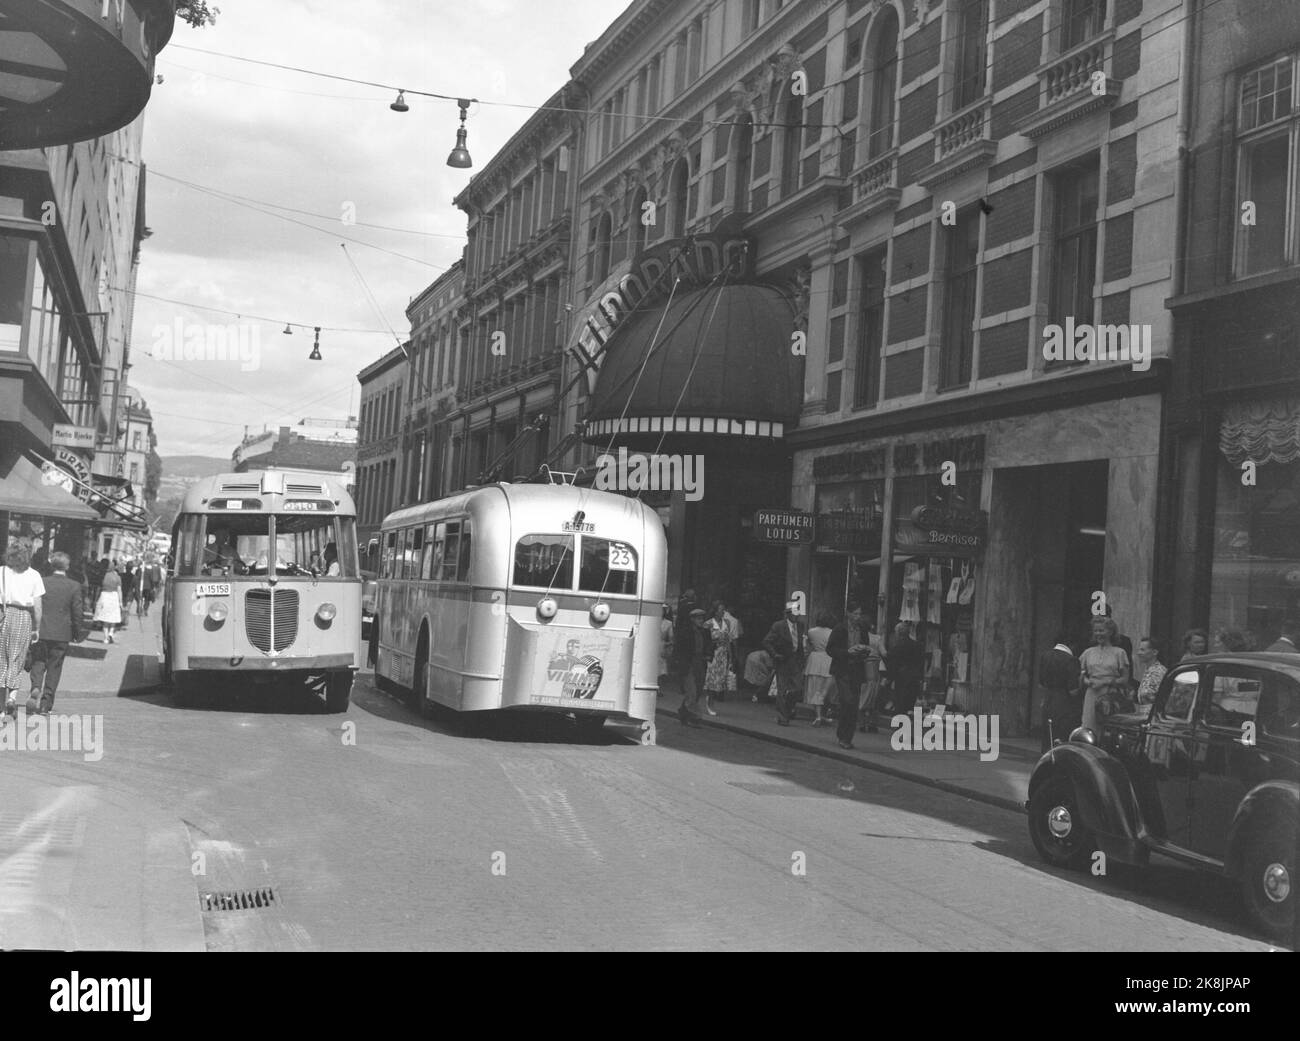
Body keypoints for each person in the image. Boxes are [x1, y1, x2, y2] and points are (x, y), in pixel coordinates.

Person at [27, 551, 86, 715]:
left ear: (52, 565)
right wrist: (76, 632)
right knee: (55, 668)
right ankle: (46, 704)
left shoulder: (42, 582)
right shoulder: (74, 586)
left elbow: (34, 606)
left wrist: (33, 628)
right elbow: (77, 611)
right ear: (67, 566)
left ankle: (36, 686)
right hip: (62, 633)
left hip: (42, 630)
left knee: (38, 662)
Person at [0, 542, 44, 720]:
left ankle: (1, 705)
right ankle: (11, 697)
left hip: (3, 615)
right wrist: (37, 628)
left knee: (2, 659)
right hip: (23, 617)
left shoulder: (2, 571)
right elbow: (38, 606)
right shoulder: (34, 575)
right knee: (17, 659)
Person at [828, 601, 870, 749]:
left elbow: (867, 646)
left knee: (854, 704)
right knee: (847, 701)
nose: (858, 616)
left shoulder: (862, 629)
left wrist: (864, 650)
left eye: (860, 614)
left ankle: (847, 737)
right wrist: (847, 652)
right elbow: (830, 649)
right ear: (849, 613)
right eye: (856, 613)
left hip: (856, 670)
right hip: (843, 669)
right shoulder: (840, 629)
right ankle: (842, 735)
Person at [1079, 616, 1130, 732]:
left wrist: (1105, 682)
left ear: (1110, 632)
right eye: (1096, 631)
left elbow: (1125, 679)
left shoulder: (1119, 653)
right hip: (1092, 694)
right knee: (1089, 728)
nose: (1098, 634)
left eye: (1101, 630)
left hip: (1110, 694)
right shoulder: (1088, 652)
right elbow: (1081, 674)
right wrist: (1088, 681)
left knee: (1108, 730)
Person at [763, 599, 806, 726]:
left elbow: (799, 644)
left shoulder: (800, 626)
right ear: (788, 613)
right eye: (793, 612)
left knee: (798, 689)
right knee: (781, 690)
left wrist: (802, 659)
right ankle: (782, 717)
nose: (796, 615)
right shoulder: (778, 626)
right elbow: (766, 641)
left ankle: (787, 709)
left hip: (795, 661)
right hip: (782, 660)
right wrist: (775, 654)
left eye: (797, 612)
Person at [1038, 632, 1081, 752]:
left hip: (1048, 699)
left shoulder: (1045, 656)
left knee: (1048, 735)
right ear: (1072, 645)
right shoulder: (1072, 660)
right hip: (1064, 702)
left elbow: (1041, 683)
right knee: (1061, 734)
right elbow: (1073, 691)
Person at [675, 608, 709, 725]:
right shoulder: (685, 632)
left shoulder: (704, 632)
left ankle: (683, 712)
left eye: (702, 618)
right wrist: (680, 663)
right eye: (698, 619)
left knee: (698, 689)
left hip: (699, 662)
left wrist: (708, 655)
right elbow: (679, 649)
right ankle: (695, 717)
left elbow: (706, 646)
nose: (701, 621)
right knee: (692, 690)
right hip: (688, 663)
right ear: (692, 619)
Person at [884, 621, 924, 716]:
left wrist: (888, 679)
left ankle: (900, 728)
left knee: (900, 705)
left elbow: (893, 664)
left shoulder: (898, 647)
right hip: (914, 679)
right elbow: (920, 662)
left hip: (902, 679)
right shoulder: (917, 645)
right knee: (909, 705)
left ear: (898, 633)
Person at [703, 601, 735, 716]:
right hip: (713, 654)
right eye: (721, 610)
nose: (723, 612)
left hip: (723, 654)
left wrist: (730, 656)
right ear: (715, 611)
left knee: (719, 680)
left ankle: (713, 700)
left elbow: (728, 641)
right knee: (711, 679)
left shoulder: (727, 623)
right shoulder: (708, 623)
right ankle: (709, 701)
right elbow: (705, 640)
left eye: (724, 610)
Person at [803, 612, 835, 726]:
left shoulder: (811, 632)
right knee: (825, 690)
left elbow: (808, 645)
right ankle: (821, 715)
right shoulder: (832, 633)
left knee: (815, 689)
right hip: (828, 660)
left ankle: (818, 716)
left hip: (815, 660)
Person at [858, 617, 885, 734]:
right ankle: (872, 723)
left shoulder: (858, 637)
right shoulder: (877, 638)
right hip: (875, 667)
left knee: (862, 694)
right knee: (873, 695)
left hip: (861, 667)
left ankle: (862, 723)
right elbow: (884, 652)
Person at [1133, 636, 1167, 706]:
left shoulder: (1158, 672)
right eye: (1139, 650)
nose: (1138, 653)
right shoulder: (1149, 669)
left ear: (1154, 652)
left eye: (1142, 650)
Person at [95, 562, 123, 643]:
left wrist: (97, 599)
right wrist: (120, 602)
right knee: (113, 617)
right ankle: (111, 633)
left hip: (104, 595)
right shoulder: (118, 577)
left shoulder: (103, 576)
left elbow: (99, 589)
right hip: (114, 596)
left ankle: (106, 638)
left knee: (105, 618)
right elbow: (119, 590)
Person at [658, 603, 675, 696]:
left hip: (661, 647)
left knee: (660, 670)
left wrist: (668, 645)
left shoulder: (668, 623)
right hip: (650, 646)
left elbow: (671, 637)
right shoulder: (650, 620)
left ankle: (658, 688)